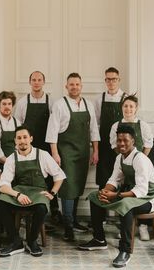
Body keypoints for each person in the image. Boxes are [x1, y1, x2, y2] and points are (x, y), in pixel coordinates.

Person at [78, 125, 154, 268]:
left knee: (125, 205)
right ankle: (99, 239)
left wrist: (115, 195)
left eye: (125, 140)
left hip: (148, 198)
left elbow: (142, 189)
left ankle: (125, 251)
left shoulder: (140, 159)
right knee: (94, 196)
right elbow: (114, 180)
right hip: (129, 195)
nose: (121, 143)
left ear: (133, 141)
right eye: (119, 140)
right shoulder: (119, 158)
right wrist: (104, 192)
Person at [0, 125, 65, 257]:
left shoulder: (42, 154)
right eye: (19, 138)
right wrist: (18, 195)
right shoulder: (11, 158)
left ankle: (32, 241)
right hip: (19, 191)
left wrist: (52, 193)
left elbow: (59, 175)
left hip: (38, 192)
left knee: (41, 208)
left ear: (31, 138)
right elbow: (3, 185)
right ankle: (16, 241)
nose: (22, 141)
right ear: (15, 141)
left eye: (25, 137)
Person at [46, 72, 100, 240]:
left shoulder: (88, 105)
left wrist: (95, 151)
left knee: (77, 186)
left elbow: (94, 130)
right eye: (71, 84)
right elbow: (52, 131)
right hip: (65, 152)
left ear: (81, 86)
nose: (74, 87)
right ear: (66, 86)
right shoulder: (59, 105)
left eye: (77, 84)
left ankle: (74, 220)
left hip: (83, 152)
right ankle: (68, 226)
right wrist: (54, 153)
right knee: (68, 188)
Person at [14, 71, 61, 223]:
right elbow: (18, 125)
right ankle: (27, 206)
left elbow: (55, 125)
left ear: (43, 82)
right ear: (30, 82)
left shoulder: (51, 101)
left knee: (49, 177)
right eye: (33, 80)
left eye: (39, 79)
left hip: (47, 145)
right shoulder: (22, 102)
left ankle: (54, 210)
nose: (36, 82)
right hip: (28, 145)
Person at [110, 94, 154, 240]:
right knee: (123, 194)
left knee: (141, 193)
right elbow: (115, 146)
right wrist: (125, 159)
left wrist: (140, 161)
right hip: (125, 166)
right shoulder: (115, 126)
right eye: (125, 106)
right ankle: (126, 227)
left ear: (136, 108)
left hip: (140, 165)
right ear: (121, 107)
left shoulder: (143, 125)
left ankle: (142, 227)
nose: (128, 109)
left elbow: (148, 145)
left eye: (131, 106)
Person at [94, 67, 125, 190]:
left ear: (119, 80)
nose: (111, 82)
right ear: (105, 81)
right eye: (108, 79)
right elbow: (95, 125)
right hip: (104, 146)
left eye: (114, 79)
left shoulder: (126, 98)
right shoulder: (99, 99)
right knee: (104, 178)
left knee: (121, 176)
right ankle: (101, 207)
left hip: (122, 144)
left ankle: (120, 207)